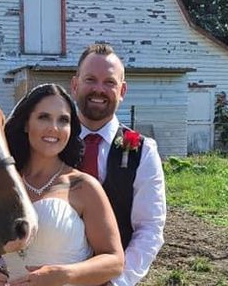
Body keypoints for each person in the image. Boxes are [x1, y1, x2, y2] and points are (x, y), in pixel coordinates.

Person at [0, 83, 124, 286]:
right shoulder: (2, 187)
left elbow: (114, 261)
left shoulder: (83, 186)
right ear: (26, 123)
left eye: (63, 120)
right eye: (44, 117)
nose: (54, 128)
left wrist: (66, 275)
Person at [71, 44, 166, 286]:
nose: (99, 90)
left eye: (109, 82)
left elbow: (149, 228)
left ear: (122, 90)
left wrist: (117, 281)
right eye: (90, 79)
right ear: (75, 85)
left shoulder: (143, 151)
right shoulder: (51, 142)